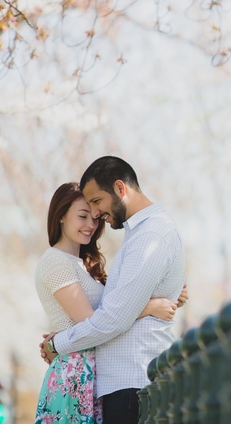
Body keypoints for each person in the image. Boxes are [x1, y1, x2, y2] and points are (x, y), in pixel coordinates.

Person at [40, 156, 187, 424]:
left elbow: (113, 318)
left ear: (120, 189)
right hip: (118, 381)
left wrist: (57, 343)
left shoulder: (150, 235)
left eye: (96, 203)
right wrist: (152, 305)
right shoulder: (138, 234)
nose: (95, 216)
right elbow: (115, 310)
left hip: (133, 378)